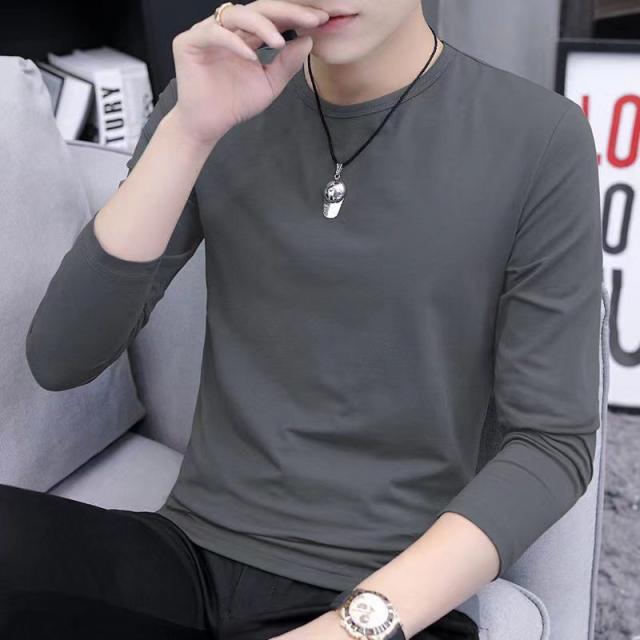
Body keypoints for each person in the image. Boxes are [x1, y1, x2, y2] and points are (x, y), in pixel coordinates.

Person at [5, 0, 602, 638]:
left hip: (386, 587)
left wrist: (353, 625)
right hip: (189, 557)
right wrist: (187, 132)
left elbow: (551, 444)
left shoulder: (539, 136)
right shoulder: (213, 95)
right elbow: (61, 359)